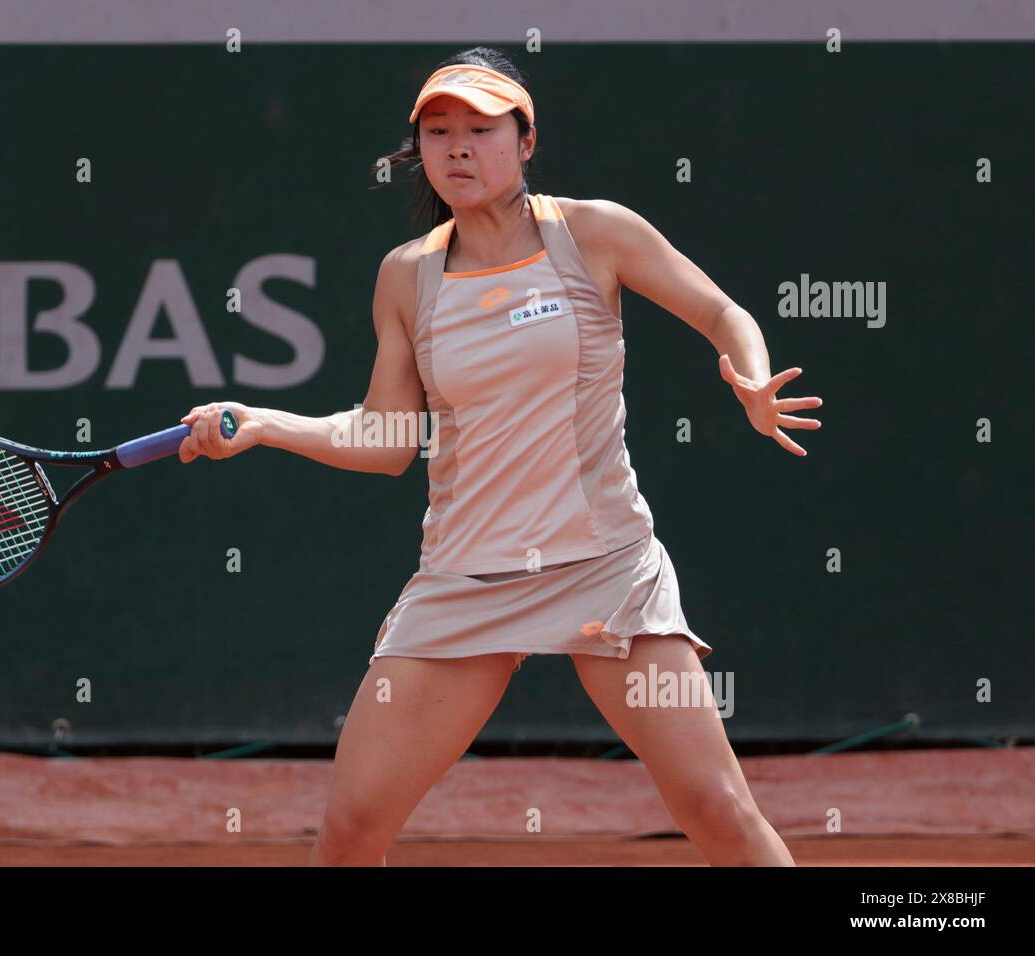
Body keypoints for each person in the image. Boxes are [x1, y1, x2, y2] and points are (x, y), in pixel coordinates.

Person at [177, 47, 821, 867]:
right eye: (438, 130)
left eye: (480, 129)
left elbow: (725, 313)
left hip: (605, 569)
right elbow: (386, 441)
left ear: (525, 139)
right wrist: (268, 424)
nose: (457, 147)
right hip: (466, 578)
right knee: (351, 827)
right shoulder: (406, 277)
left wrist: (753, 383)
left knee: (716, 807)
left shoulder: (596, 233)